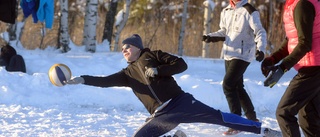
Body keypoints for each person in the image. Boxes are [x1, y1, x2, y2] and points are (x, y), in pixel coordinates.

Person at [64, 34, 280, 137]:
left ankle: (262, 129)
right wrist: (81, 79)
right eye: (122, 48)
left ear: (137, 47)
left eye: (127, 46)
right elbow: (104, 82)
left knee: (218, 117)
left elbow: (181, 64)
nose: (124, 50)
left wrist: (159, 70)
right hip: (162, 115)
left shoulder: (154, 56)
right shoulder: (127, 74)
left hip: (182, 102)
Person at [202, 0, 267, 135]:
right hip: (229, 54)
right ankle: (252, 118)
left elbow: (260, 31)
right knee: (237, 86)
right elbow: (225, 31)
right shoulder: (226, 11)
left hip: (243, 54)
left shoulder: (249, 10)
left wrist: (261, 49)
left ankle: (235, 122)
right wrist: (211, 36)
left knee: (228, 85)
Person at [261, 0, 320, 136]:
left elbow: (305, 43)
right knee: (308, 119)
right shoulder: (294, 4)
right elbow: (292, 39)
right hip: (312, 67)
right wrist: (273, 58)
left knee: (284, 112)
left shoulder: (303, 4)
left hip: (312, 69)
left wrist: (282, 67)